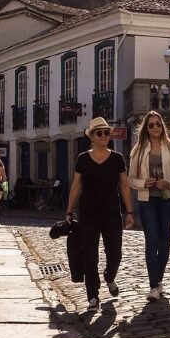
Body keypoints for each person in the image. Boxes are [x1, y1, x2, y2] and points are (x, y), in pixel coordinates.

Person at [65, 117, 134, 312]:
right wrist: (70, 210)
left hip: (112, 213)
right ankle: (93, 296)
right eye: (99, 133)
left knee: (115, 253)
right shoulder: (83, 159)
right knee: (90, 255)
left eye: (106, 132)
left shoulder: (117, 158)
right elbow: (77, 185)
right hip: (88, 213)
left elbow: (124, 186)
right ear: (92, 137)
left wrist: (129, 211)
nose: (104, 136)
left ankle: (110, 276)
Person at [128, 111, 170, 300]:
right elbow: (130, 178)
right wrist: (142, 183)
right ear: (146, 128)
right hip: (147, 201)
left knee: (164, 243)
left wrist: (169, 183)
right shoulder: (138, 150)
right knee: (151, 241)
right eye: (151, 125)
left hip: (168, 199)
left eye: (158, 124)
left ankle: (159, 280)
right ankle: (153, 286)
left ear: (163, 126)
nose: (155, 127)